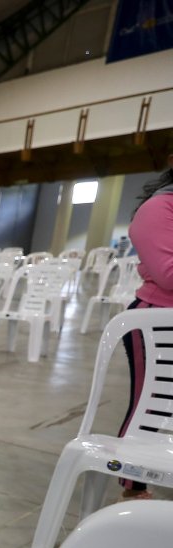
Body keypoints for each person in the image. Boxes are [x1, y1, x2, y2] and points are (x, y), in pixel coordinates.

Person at [115, 153, 173, 501]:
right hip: (157, 321)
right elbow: (168, 274)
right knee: (150, 405)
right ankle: (132, 486)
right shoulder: (159, 208)